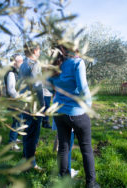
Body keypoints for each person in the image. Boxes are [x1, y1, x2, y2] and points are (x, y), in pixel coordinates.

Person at [48, 45, 100, 188]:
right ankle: (91, 184)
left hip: (59, 112)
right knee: (86, 149)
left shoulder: (53, 66)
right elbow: (83, 87)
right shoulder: (77, 62)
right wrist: (88, 106)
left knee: (63, 148)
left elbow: (48, 87)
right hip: (76, 112)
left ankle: (64, 180)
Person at [19, 41, 44, 170]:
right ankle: (30, 164)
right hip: (34, 105)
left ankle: (25, 157)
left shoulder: (22, 64)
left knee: (27, 132)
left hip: (25, 103)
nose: (40, 52)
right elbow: (37, 86)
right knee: (33, 134)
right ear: (35, 51)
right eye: (39, 50)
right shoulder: (34, 64)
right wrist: (42, 104)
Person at [4, 54, 23, 150]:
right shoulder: (11, 73)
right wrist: (20, 98)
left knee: (19, 121)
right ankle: (12, 143)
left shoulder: (17, 72)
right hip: (15, 102)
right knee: (17, 122)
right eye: (20, 61)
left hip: (17, 102)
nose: (22, 63)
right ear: (14, 63)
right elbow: (11, 90)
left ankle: (15, 139)